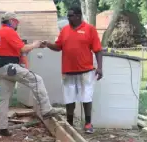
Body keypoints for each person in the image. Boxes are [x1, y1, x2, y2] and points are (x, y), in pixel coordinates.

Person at [0, 12, 63, 137]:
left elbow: (16, 48)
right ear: (12, 21)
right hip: (10, 67)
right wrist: (35, 44)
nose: (17, 25)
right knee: (37, 80)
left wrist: (34, 46)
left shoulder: (0, 32)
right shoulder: (9, 32)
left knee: (4, 99)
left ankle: (2, 128)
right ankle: (46, 109)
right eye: (16, 22)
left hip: (0, 67)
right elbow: (23, 49)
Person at [43, 6, 103, 134]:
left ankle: (88, 124)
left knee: (86, 97)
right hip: (68, 71)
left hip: (86, 71)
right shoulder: (64, 30)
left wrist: (100, 67)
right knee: (69, 99)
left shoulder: (89, 29)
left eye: (70, 16)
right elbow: (58, 46)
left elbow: (98, 50)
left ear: (78, 16)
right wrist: (48, 44)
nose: (68, 18)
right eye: (68, 16)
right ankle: (69, 124)